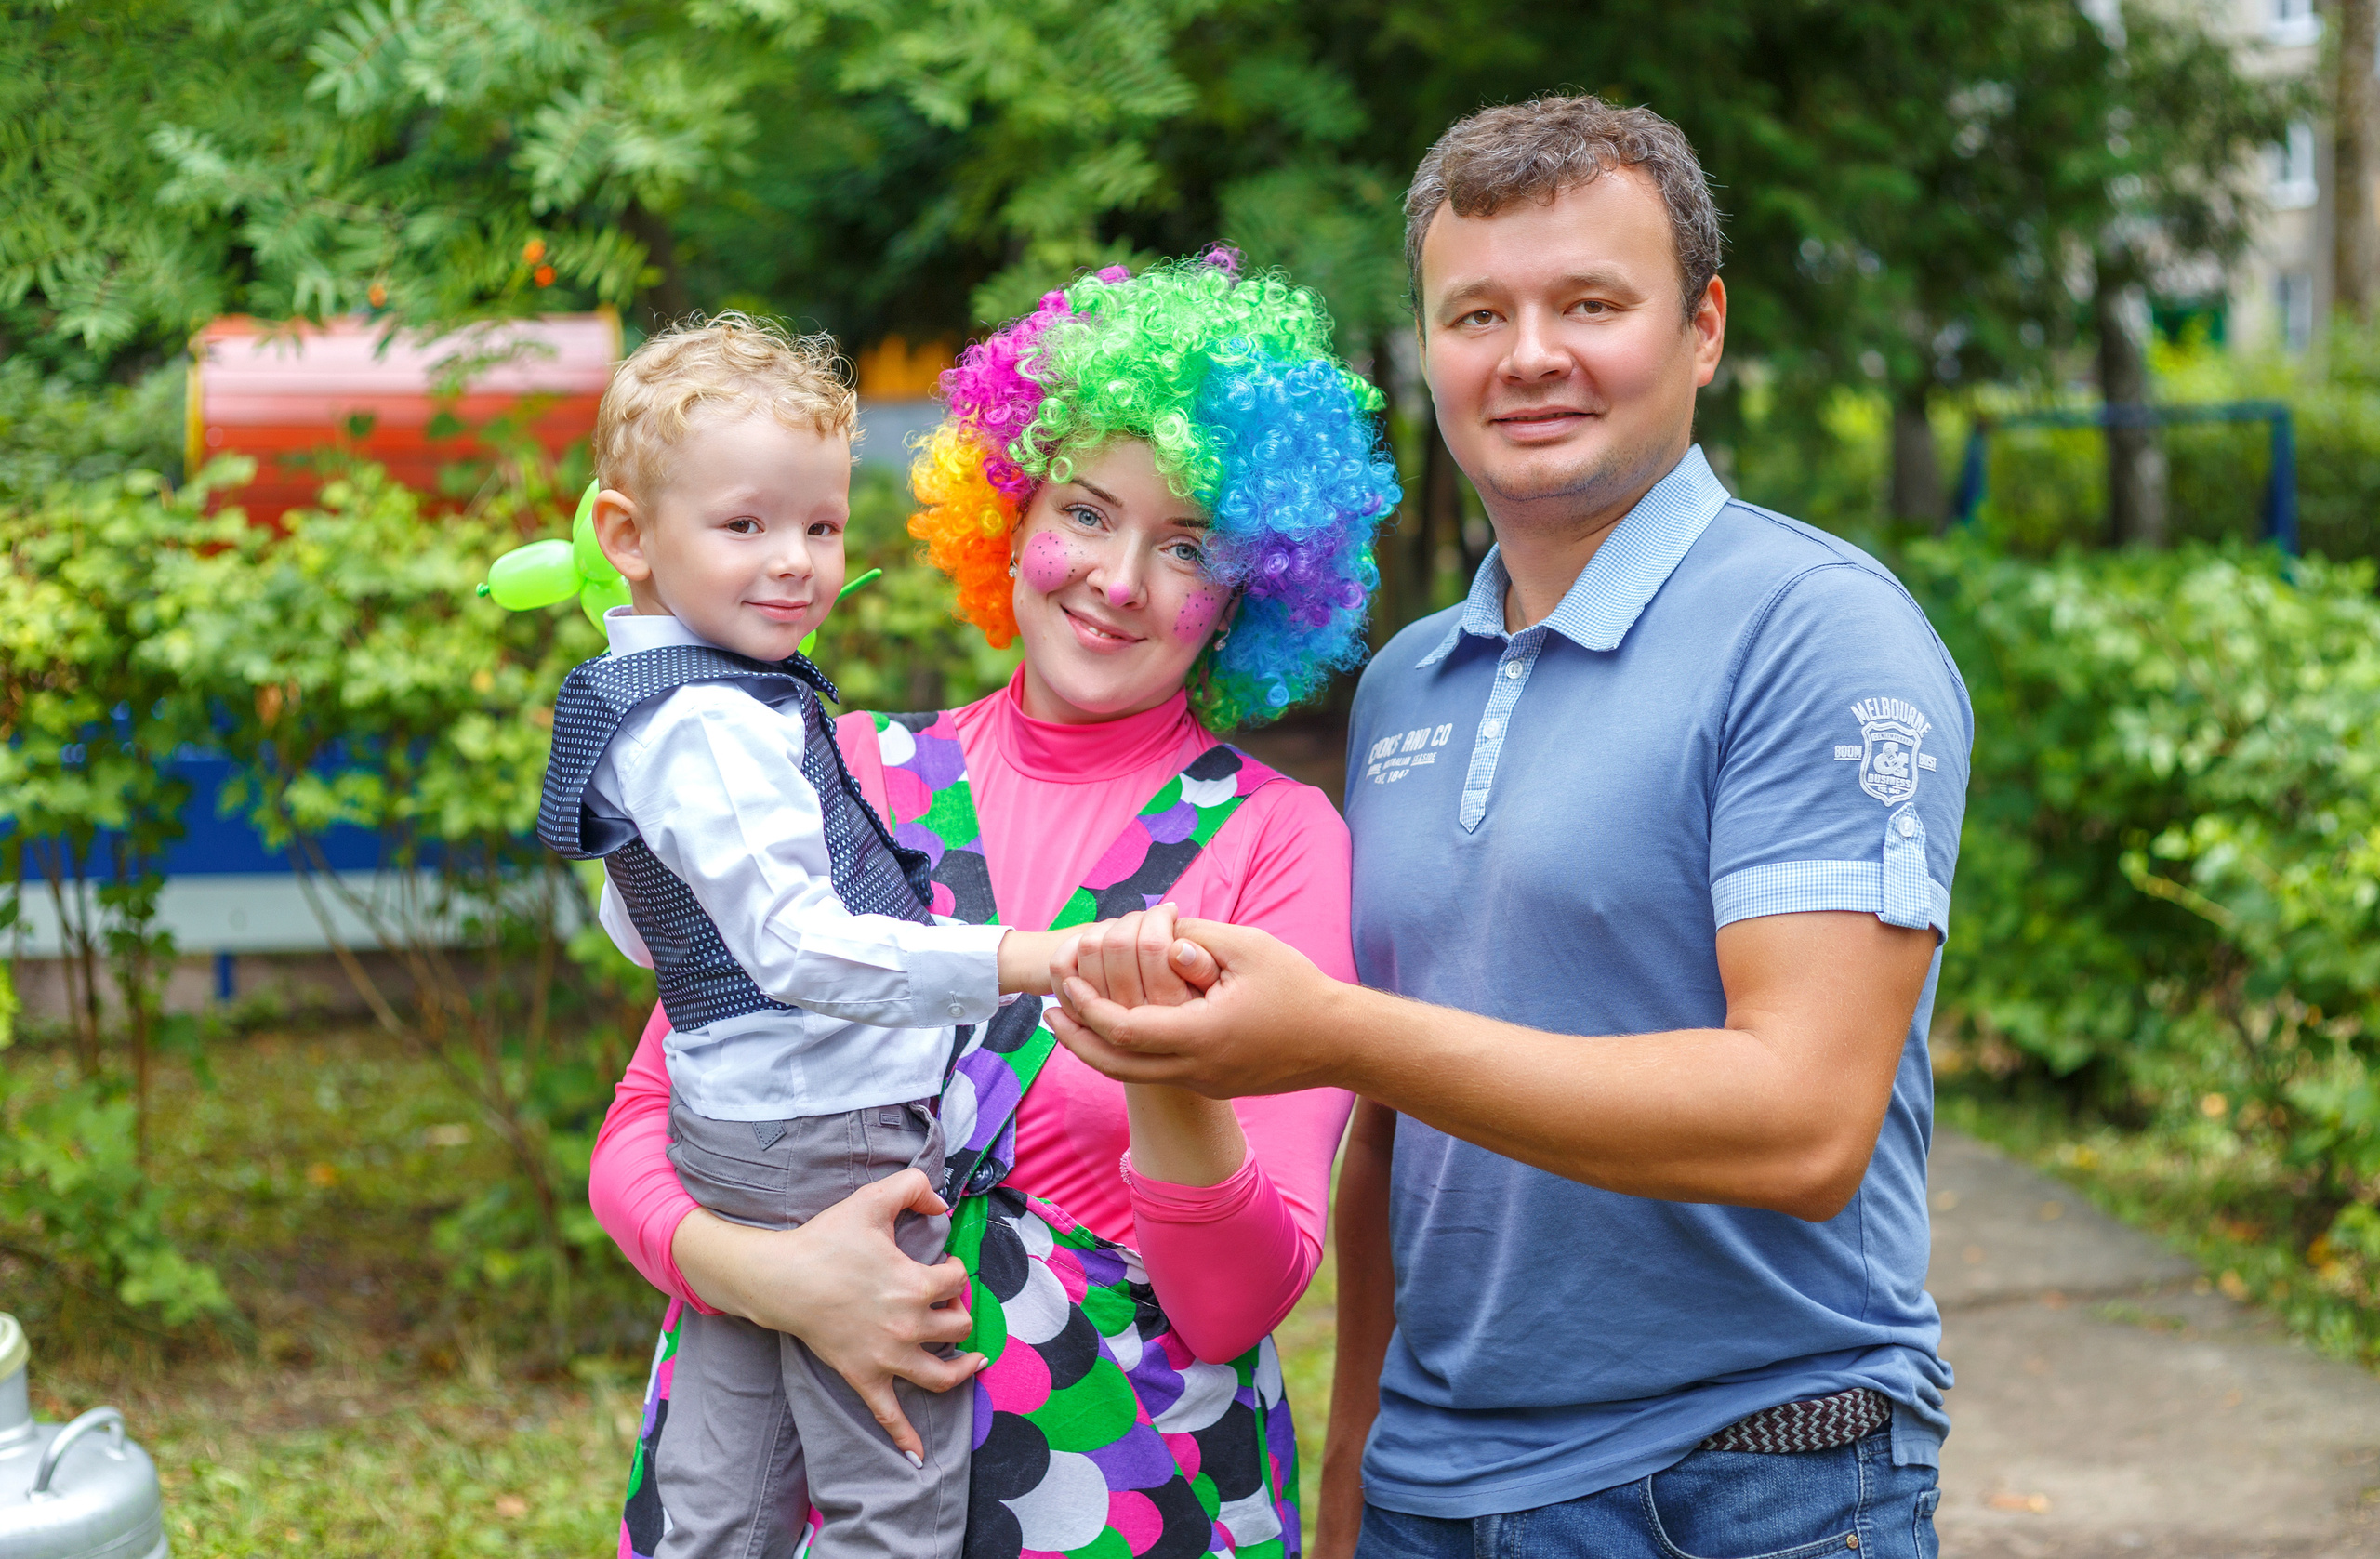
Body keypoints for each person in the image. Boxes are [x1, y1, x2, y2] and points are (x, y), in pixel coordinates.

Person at [1047, 97, 1972, 1559]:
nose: (1529, 354)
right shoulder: (1411, 678)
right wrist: (1353, 1467)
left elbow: (1803, 1124)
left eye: (1590, 304)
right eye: (1478, 314)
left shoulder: (1815, 632)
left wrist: (1336, 1033)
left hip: (1744, 1480)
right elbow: (1395, 1135)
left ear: (1704, 329)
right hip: (1432, 1490)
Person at [588, 253, 1397, 1558]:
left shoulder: (1278, 841)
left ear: (1251, 595)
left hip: (1124, 1489)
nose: (1120, 580)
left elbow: (1238, 1303)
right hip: (807, 1481)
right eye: (1086, 511)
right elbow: (647, 1124)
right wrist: (778, 1279)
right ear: (1010, 517)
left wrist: (1165, 1069)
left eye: (1187, 545)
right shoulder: (837, 769)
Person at [542, 315, 1090, 1559]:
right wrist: (1018, 958)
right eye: (745, 525)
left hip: (729, 1134)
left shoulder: (648, 701)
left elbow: (644, 923)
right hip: (832, 1140)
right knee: (890, 1489)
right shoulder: (718, 721)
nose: (794, 562)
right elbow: (797, 949)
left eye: (823, 527)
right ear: (627, 536)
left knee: (726, 1489)